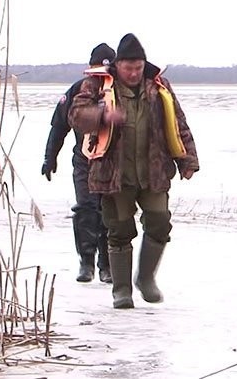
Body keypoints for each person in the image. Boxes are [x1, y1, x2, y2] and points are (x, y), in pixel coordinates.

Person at [68, 33, 200, 309]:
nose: (133, 73)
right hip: (113, 174)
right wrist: (102, 115)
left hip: (153, 171)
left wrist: (188, 160)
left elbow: (179, 123)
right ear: (118, 66)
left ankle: (146, 279)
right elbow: (76, 115)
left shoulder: (159, 87)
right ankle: (122, 290)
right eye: (128, 68)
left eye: (138, 68)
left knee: (160, 222)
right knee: (119, 230)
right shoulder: (97, 85)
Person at [42, 43, 117, 283]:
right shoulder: (77, 90)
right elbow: (58, 128)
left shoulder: (119, 92)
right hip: (84, 161)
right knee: (85, 208)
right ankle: (86, 262)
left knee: (110, 212)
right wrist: (49, 157)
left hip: (112, 163)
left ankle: (107, 265)